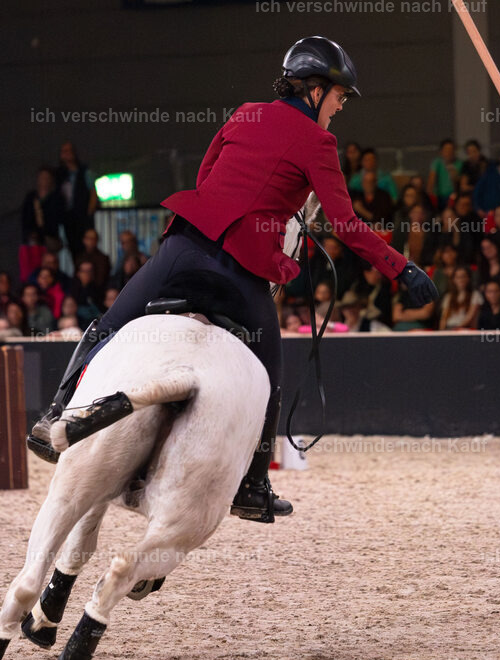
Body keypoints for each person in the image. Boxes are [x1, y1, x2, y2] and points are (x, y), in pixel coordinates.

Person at [29, 36, 437, 524]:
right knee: (268, 374)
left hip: (183, 249)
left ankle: (54, 414)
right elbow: (345, 225)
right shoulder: (319, 143)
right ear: (315, 90)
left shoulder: (246, 113)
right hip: (239, 272)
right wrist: (402, 268)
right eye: (339, 96)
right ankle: (253, 486)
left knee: (110, 324)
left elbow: (205, 177)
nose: (340, 107)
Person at [56, 141, 98, 262]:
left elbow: (93, 194)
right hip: (67, 219)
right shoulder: (59, 175)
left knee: (86, 247)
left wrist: (88, 214)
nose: (67, 154)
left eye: (69, 151)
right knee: (72, 248)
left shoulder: (85, 172)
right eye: (64, 151)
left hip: (82, 217)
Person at [21, 166, 64, 251]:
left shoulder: (56, 198)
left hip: (50, 238)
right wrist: (30, 233)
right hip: (33, 240)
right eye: (42, 177)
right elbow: (25, 217)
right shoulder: (31, 197)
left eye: (47, 178)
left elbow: (57, 218)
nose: (44, 180)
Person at [74, 228, 111, 298]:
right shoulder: (79, 257)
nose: (90, 241)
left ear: (97, 240)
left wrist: (90, 276)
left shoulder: (103, 258)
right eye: (88, 238)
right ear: (84, 240)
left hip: (98, 293)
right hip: (79, 292)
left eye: (93, 239)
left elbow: (103, 280)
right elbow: (75, 276)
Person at [427, 138, 459, 209]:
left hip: (454, 197)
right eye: (446, 150)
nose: (449, 152)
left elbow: (458, 185)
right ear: (441, 151)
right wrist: (429, 198)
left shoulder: (460, 163)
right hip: (439, 197)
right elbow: (431, 180)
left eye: (451, 150)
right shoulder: (437, 162)